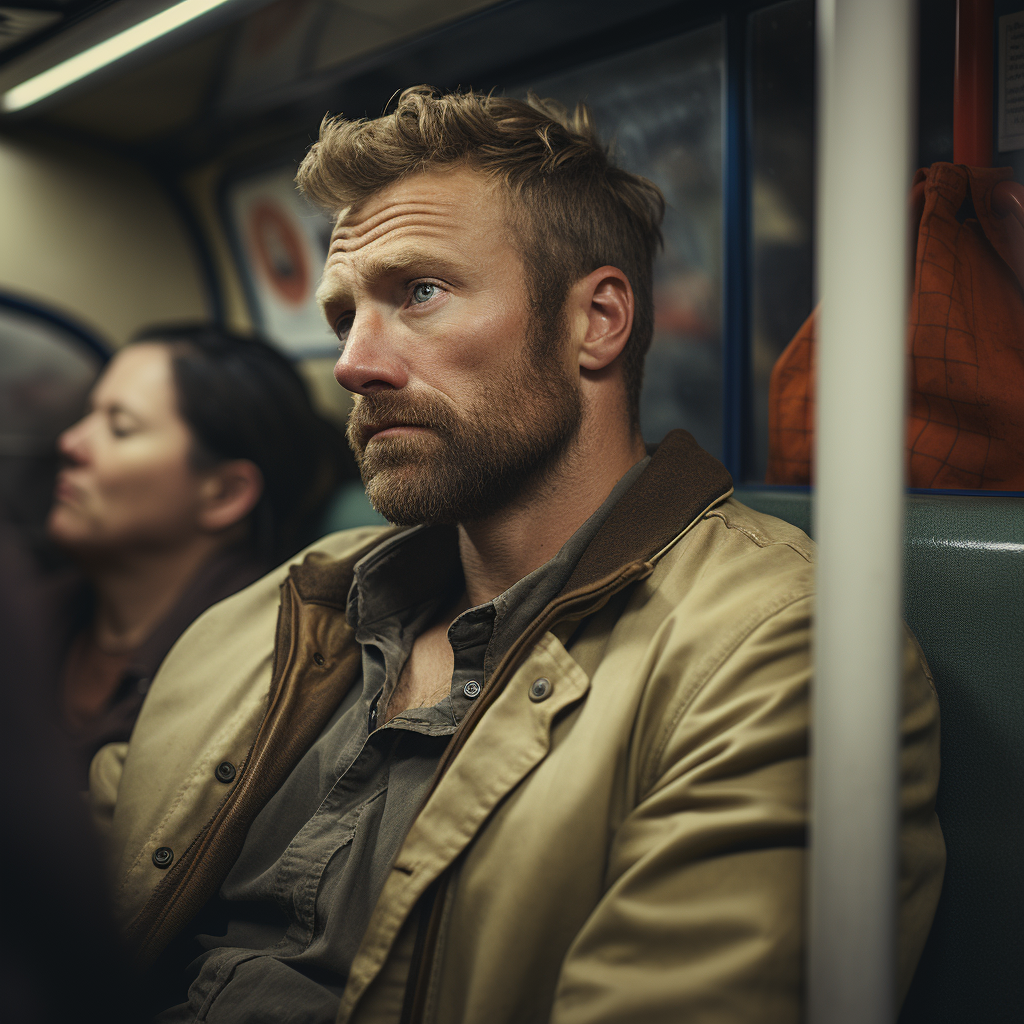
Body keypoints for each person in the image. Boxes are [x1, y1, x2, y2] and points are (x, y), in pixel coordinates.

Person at [91, 88, 945, 1023]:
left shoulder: (775, 649)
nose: (353, 364)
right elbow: (92, 844)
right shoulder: (306, 596)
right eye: (345, 317)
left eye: (419, 292)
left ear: (598, 321)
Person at [48, 325, 349, 780]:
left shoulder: (259, 675)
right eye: (88, 414)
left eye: (120, 427)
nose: (70, 443)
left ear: (224, 494)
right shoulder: (37, 610)